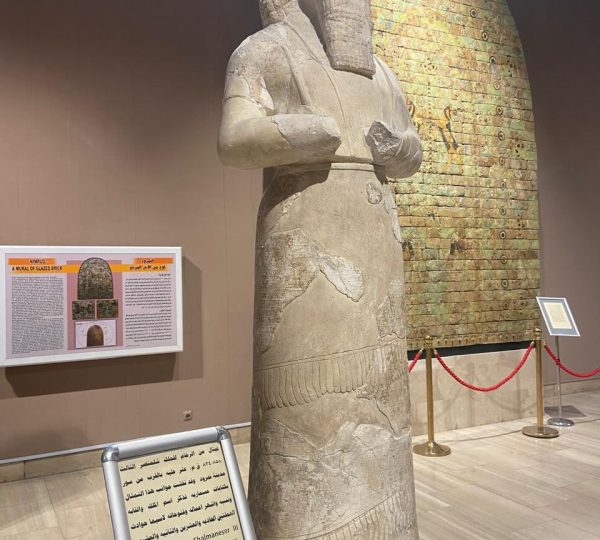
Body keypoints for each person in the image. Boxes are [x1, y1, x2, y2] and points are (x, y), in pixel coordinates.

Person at [219, 1, 422, 537]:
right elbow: (233, 138)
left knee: (380, 393)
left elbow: (413, 148)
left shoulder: (382, 72)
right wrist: (307, 131)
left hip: (375, 235)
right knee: (303, 399)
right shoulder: (266, 50)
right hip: (304, 226)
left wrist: (399, 148)